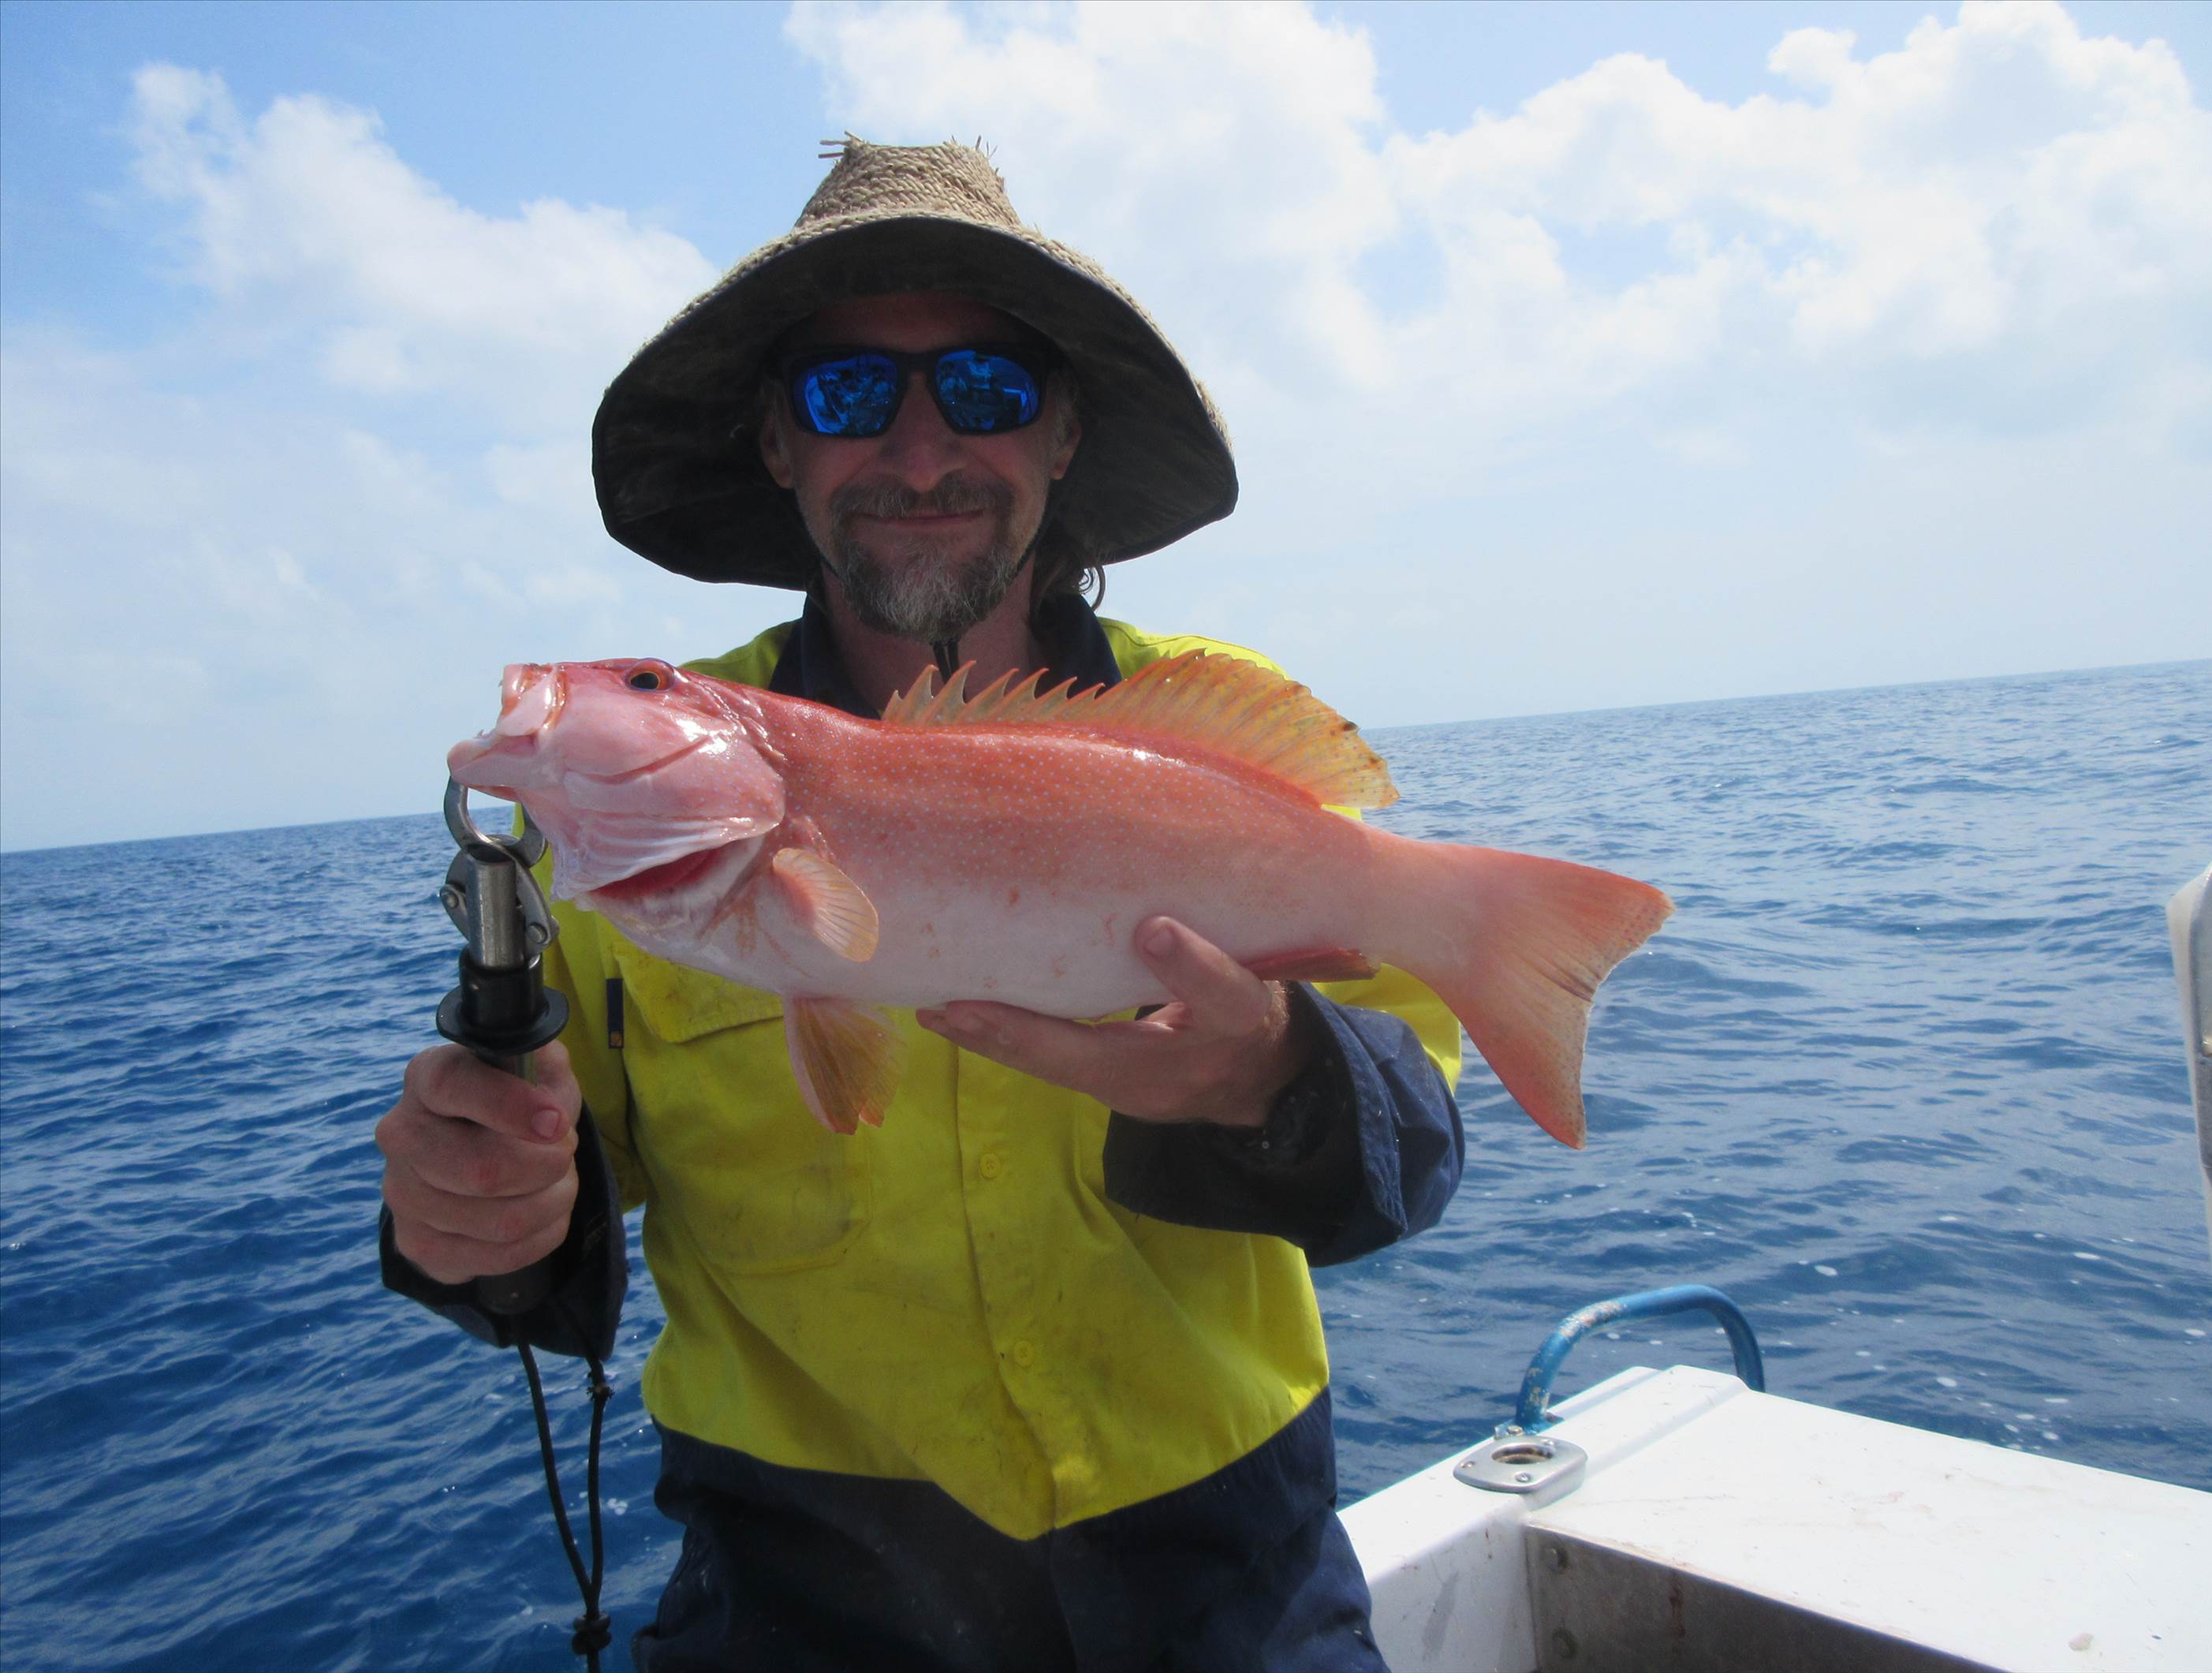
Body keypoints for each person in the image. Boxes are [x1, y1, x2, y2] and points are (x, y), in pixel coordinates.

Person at [378, 139, 1464, 1673]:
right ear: (777, 442)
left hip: (1229, 1575)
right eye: (845, 395)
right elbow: (549, 1210)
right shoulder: (633, 812)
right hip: (800, 1595)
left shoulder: (1219, 741)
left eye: (987, 390)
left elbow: (1408, 1156)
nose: (918, 445)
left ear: (1063, 426)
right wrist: (472, 1209)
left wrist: (1277, 1074)